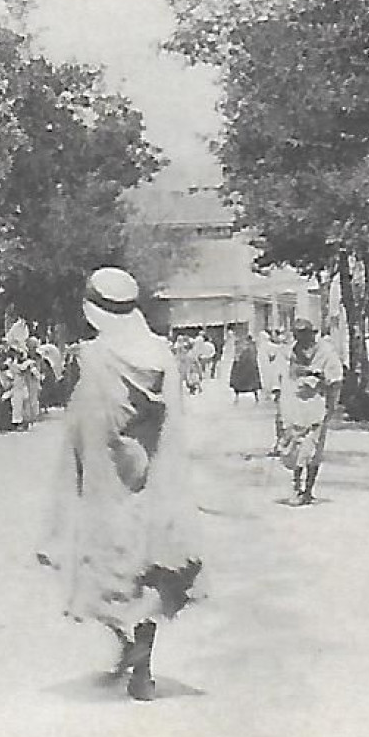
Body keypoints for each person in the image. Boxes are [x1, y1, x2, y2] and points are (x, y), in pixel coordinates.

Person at [61, 267, 203, 701]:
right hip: (153, 478)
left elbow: (85, 424)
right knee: (149, 573)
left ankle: (127, 646)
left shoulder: (93, 357)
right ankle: (143, 668)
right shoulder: (161, 354)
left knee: (107, 569)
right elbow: (175, 422)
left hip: (110, 483)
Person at [277, 318, 345, 505]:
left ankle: (305, 490)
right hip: (294, 407)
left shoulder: (326, 353)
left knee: (312, 449)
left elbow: (336, 380)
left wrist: (332, 404)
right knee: (293, 447)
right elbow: (283, 379)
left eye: (304, 335)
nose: (301, 341)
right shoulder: (290, 352)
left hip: (317, 405)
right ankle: (298, 485)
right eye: (297, 336)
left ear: (312, 334)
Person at [228, 330, 261, 401]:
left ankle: (239, 396)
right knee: (251, 382)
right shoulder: (251, 347)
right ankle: (255, 396)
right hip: (249, 367)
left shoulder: (247, 347)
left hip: (245, 367)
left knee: (246, 382)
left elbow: (238, 357)